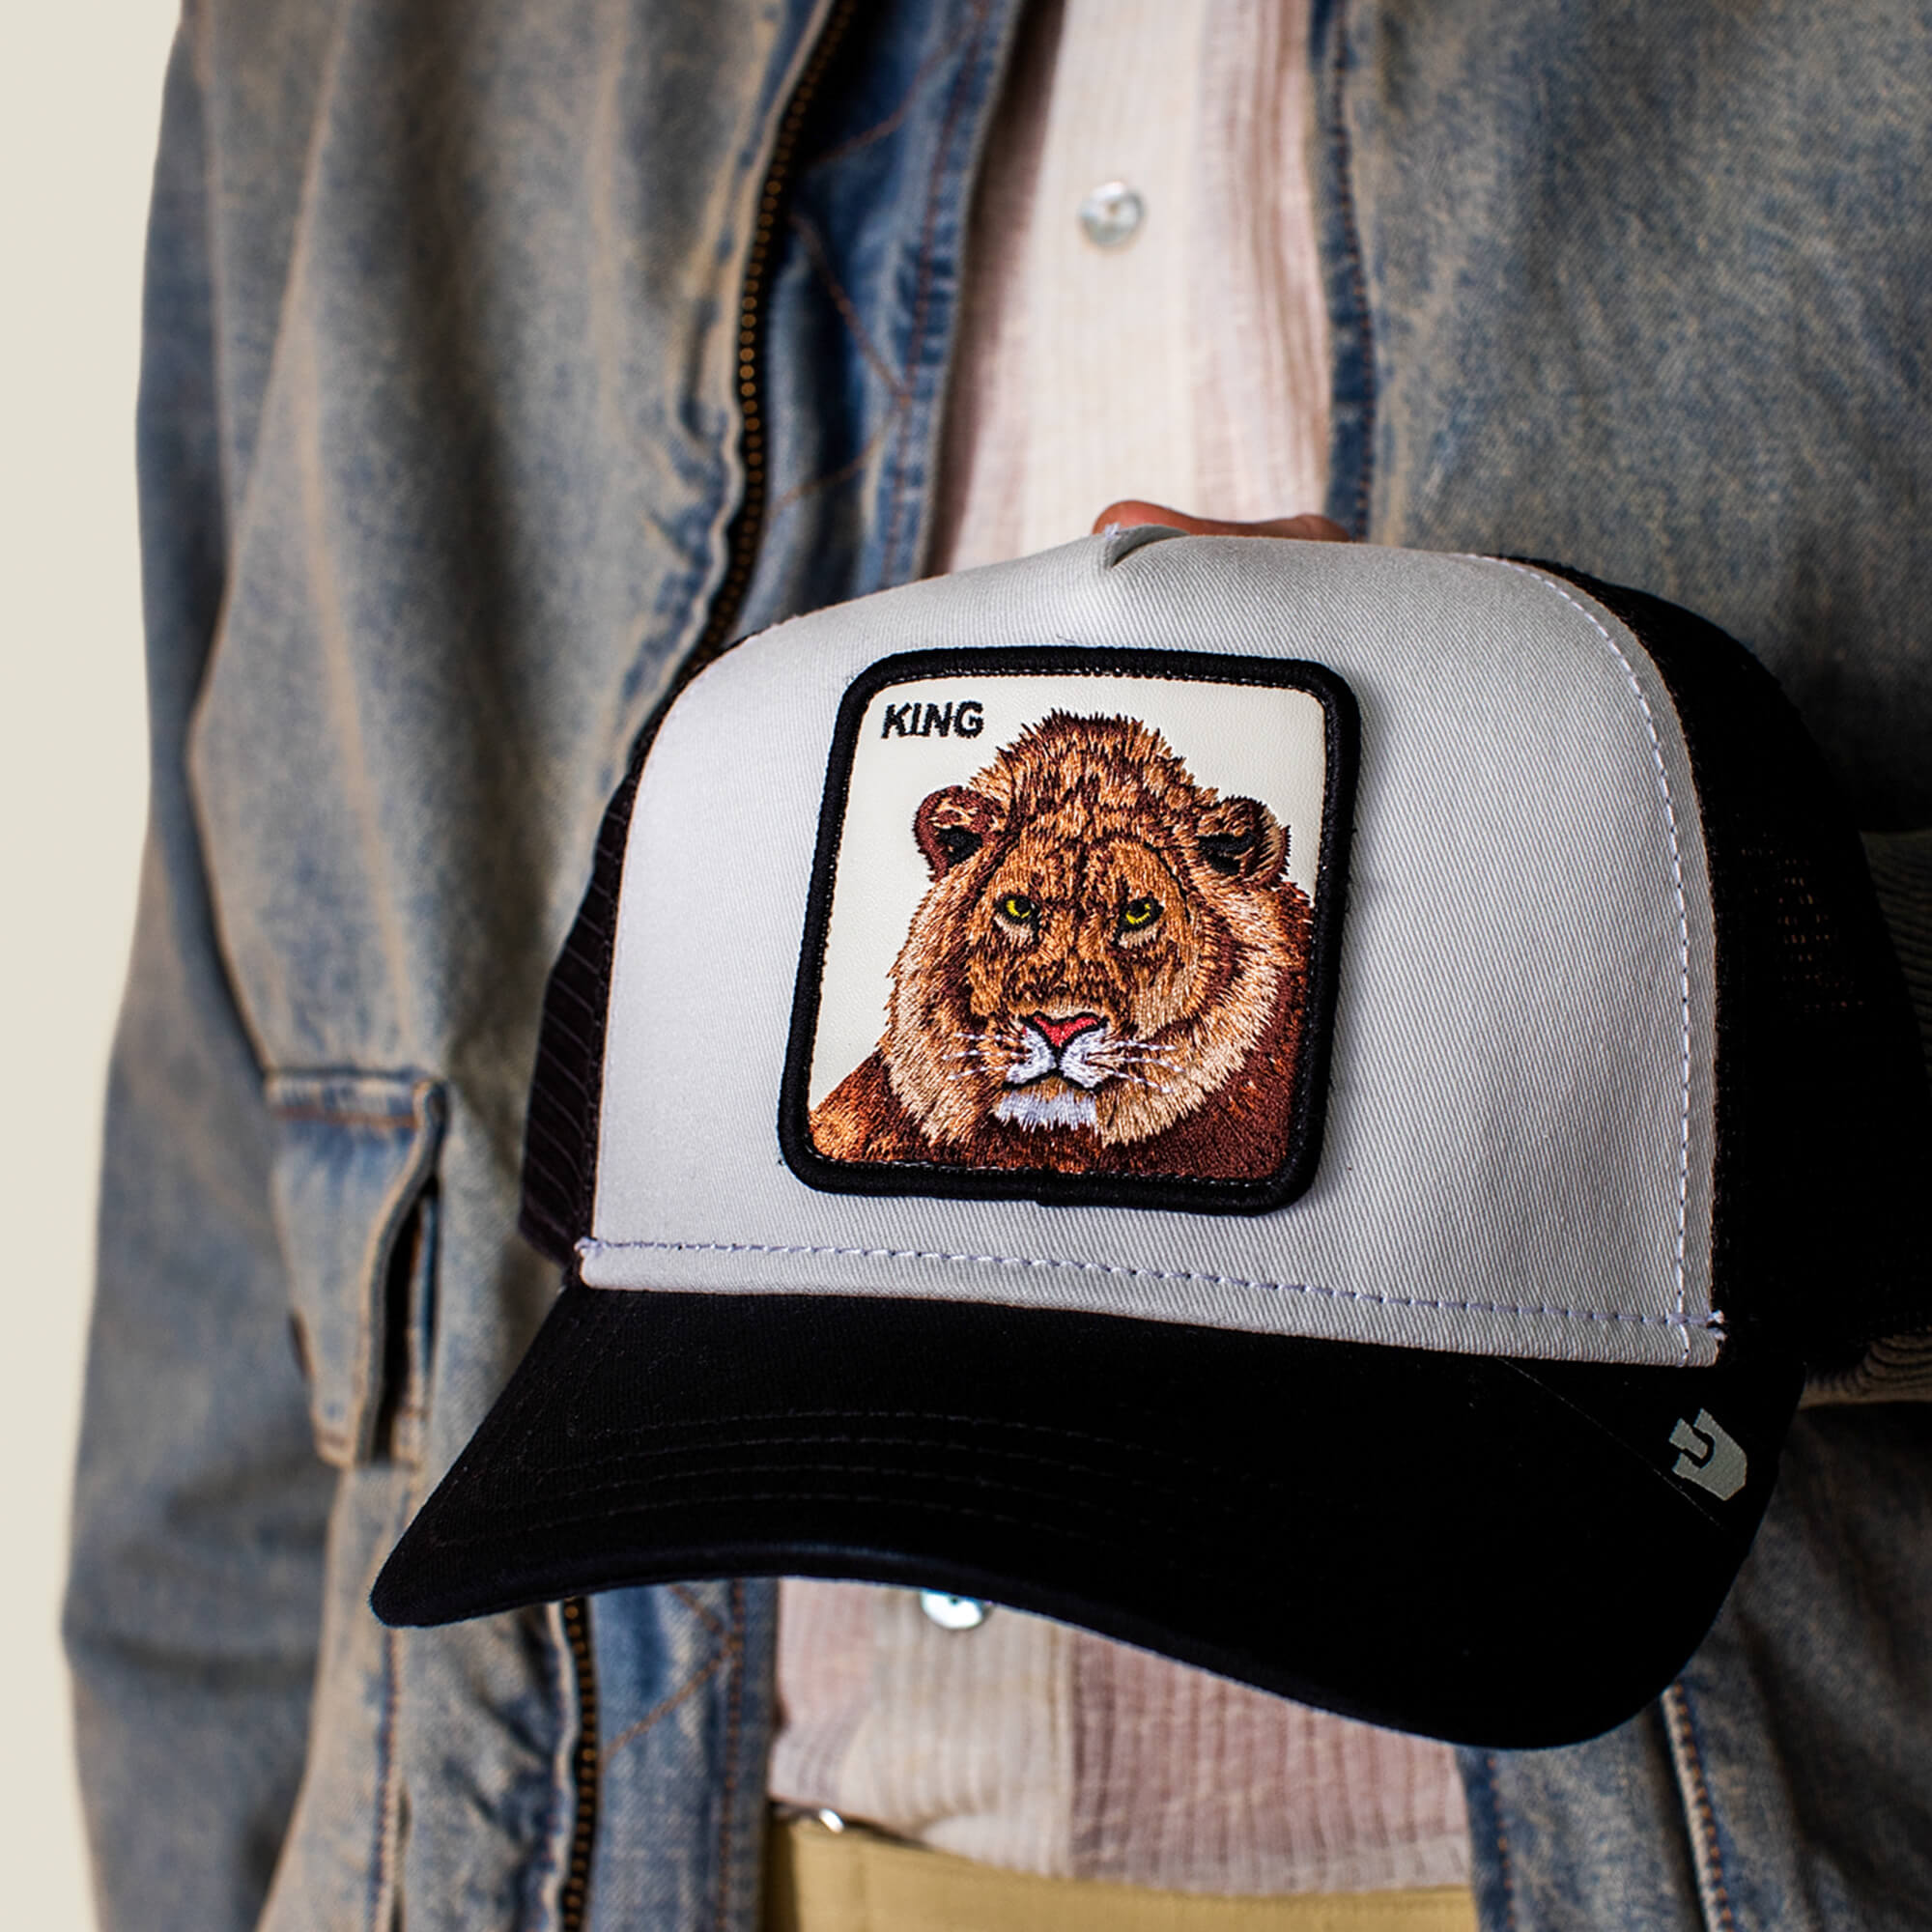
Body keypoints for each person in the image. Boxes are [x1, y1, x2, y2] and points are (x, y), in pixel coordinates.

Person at [66, 1, 1932, 1928]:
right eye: (1029, 925)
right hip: (556, 1852)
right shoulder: (338, 46)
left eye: (1123, 927)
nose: (1067, 994)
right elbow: (225, 1305)